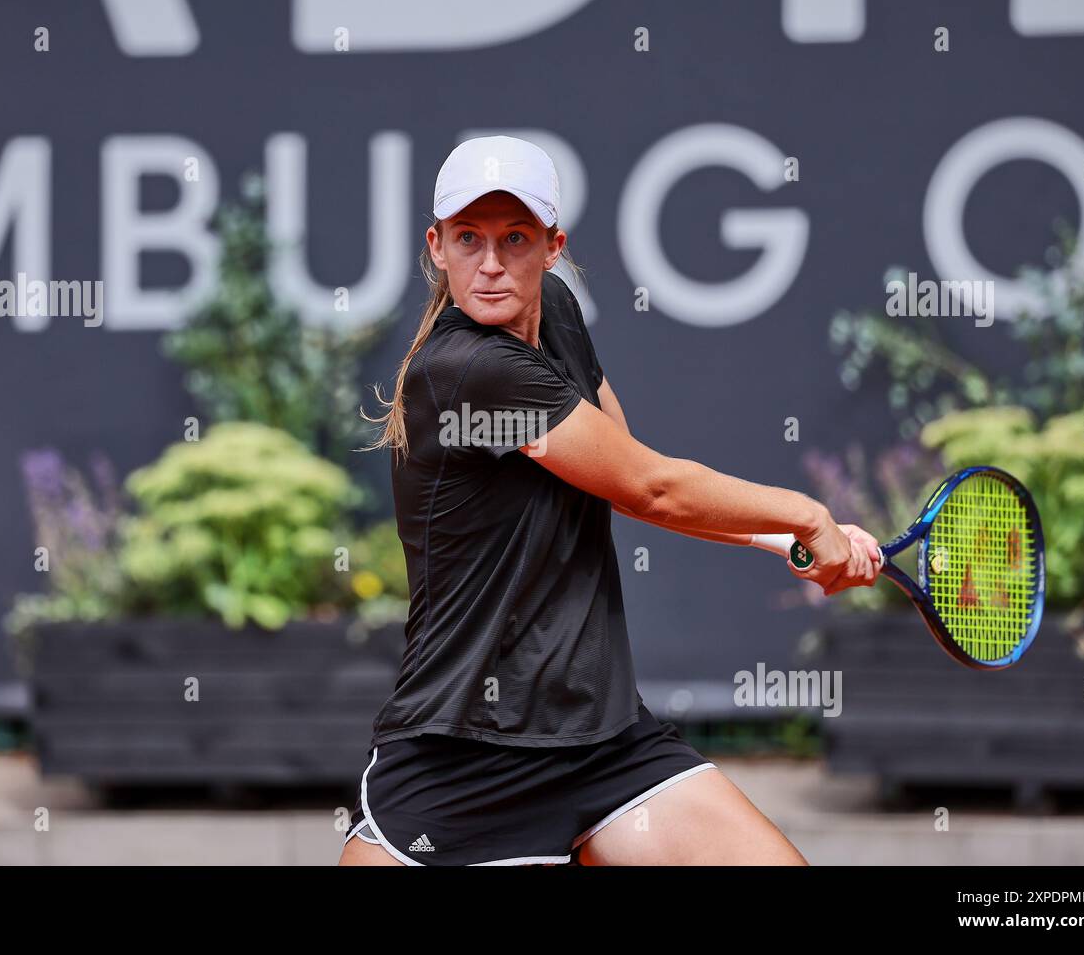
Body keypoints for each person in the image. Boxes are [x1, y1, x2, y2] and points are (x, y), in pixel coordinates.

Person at [341, 135, 880, 866]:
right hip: (462, 760)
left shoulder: (555, 312)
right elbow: (651, 488)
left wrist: (776, 541)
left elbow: (624, 474)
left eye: (515, 238)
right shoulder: (467, 367)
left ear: (553, 246)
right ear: (436, 246)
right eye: (468, 238)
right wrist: (809, 516)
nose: (491, 263)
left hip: (598, 740)